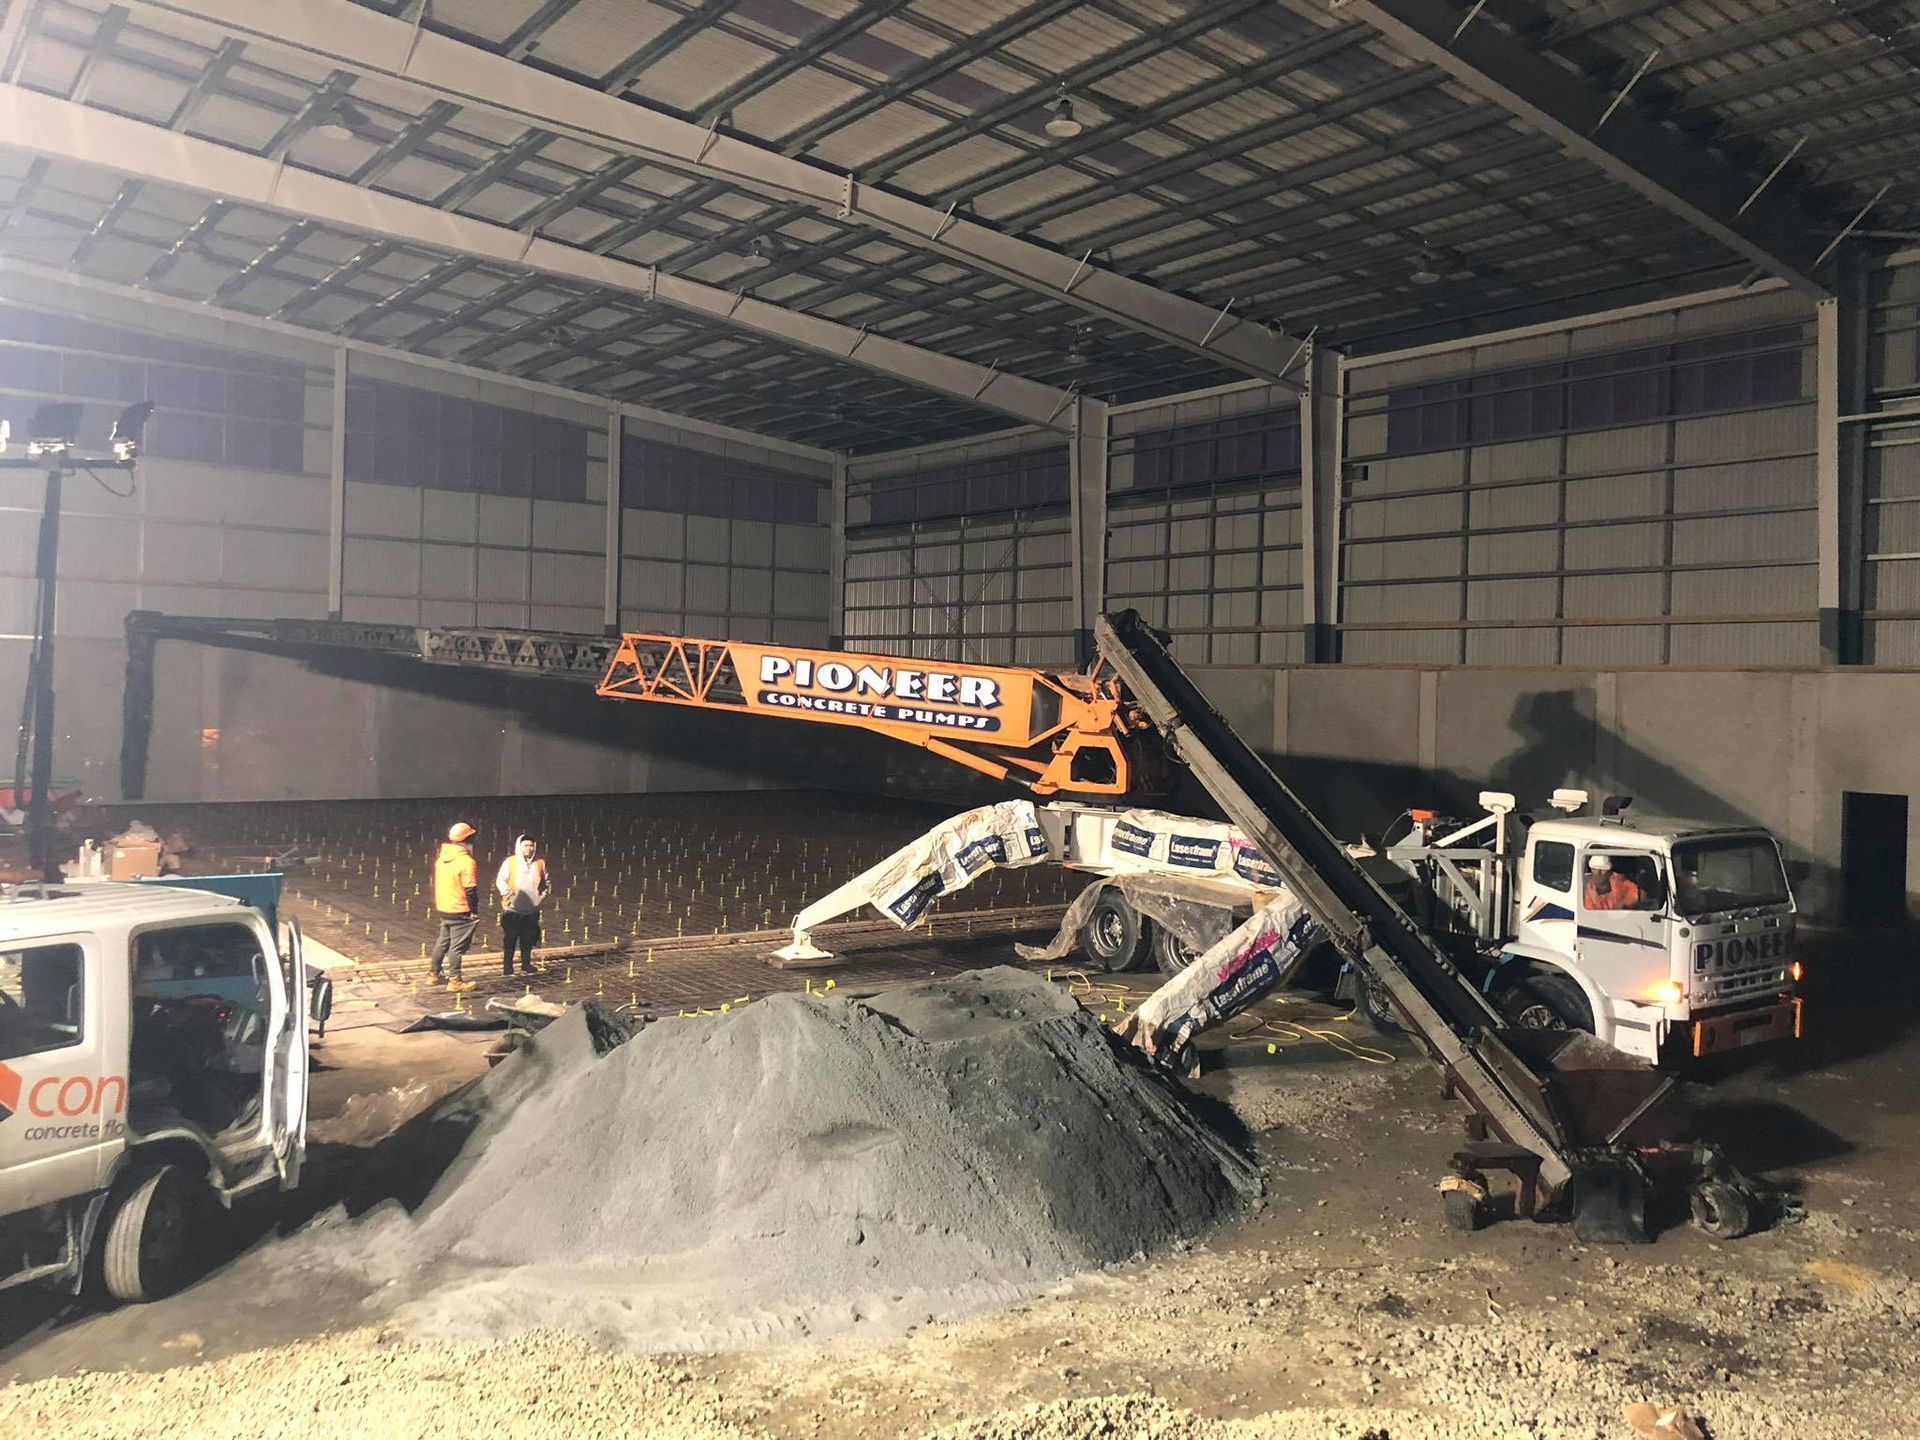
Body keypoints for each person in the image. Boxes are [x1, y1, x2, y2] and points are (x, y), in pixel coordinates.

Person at [428, 822, 480, 989]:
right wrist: (474, 911)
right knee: (456, 947)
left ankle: (433, 974)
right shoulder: (466, 862)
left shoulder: (442, 859)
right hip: (460, 909)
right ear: (468, 839)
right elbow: (470, 889)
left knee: (442, 942)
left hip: (444, 907)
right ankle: (455, 980)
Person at [496, 833, 551, 978]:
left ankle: (526, 966)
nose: (529, 848)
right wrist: (509, 895)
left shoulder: (540, 863)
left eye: (531, 845)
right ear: (519, 846)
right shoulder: (511, 862)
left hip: (531, 910)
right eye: (526, 845)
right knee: (510, 939)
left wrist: (540, 898)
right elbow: (501, 880)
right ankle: (508, 968)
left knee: (528, 939)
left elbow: (546, 883)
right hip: (512, 909)